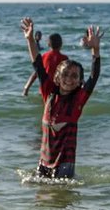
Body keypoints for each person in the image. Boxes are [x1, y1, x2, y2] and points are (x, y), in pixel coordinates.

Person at [20, 17, 101, 179]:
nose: (69, 79)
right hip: (43, 162)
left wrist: (95, 50)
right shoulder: (49, 93)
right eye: (65, 75)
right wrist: (30, 40)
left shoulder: (78, 99)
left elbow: (94, 76)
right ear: (57, 77)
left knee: (61, 198)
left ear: (79, 81)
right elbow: (37, 65)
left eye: (74, 76)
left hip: (65, 164)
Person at [21, 30, 67, 97]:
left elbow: (36, 72)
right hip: (58, 90)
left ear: (48, 44)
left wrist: (26, 88)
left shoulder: (45, 56)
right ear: (61, 44)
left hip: (45, 88)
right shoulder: (64, 58)